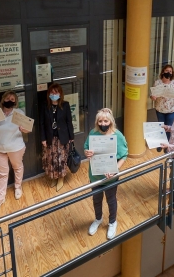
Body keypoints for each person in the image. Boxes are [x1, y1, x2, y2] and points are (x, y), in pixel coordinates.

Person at [0, 91, 31, 214]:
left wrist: (24, 129)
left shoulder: (19, 113)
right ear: (3, 99)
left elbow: (26, 129)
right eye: (8, 98)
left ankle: (18, 187)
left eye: (13, 99)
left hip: (15, 147)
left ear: (15, 102)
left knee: (17, 167)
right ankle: (0, 198)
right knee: (2, 174)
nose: (10, 100)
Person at [84, 108, 128, 240]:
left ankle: (112, 222)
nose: (103, 123)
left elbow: (124, 155)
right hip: (95, 175)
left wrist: (116, 169)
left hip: (111, 176)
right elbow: (86, 147)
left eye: (105, 120)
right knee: (96, 199)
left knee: (111, 200)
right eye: (100, 121)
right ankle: (98, 219)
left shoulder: (118, 136)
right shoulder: (93, 133)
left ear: (111, 121)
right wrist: (87, 152)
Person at [40, 83, 74, 191]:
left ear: (60, 94)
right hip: (50, 138)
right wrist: (43, 138)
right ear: (49, 94)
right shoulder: (44, 106)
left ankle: (61, 178)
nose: (54, 94)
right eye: (52, 92)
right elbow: (41, 124)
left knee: (61, 159)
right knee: (51, 160)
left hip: (62, 138)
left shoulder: (65, 105)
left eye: (56, 92)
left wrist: (71, 136)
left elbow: (69, 122)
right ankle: (54, 177)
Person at [150, 65, 174, 152]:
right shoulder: (157, 83)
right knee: (161, 127)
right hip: (160, 109)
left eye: (170, 71)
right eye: (167, 71)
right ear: (163, 72)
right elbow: (152, 95)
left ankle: (166, 145)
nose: (168, 73)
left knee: (168, 127)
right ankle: (160, 143)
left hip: (171, 110)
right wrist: (152, 97)